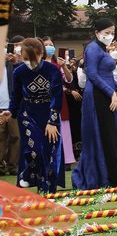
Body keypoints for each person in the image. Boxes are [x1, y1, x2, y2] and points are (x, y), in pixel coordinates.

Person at [0, 38, 64, 193]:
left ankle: (47, 188)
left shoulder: (52, 70)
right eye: (25, 59)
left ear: (41, 54)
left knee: (49, 150)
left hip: (49, 113)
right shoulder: (19, 71)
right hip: (28, 115)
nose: (29, 62)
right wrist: (11, 111)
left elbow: (57, 97)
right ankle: (27, 177)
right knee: (34, 148)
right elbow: (16, 95)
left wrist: (52, 122)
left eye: (33, 58)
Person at [71, 18, 117, 189]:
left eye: (112, 33)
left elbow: (108, 73)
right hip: (96, 96)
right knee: (104, 136)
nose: (110, 36)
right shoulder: (92, 48)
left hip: (108, 94)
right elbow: (92, 75)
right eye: (107, 32)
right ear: (97, 32)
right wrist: (111, 93)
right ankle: (108, 178)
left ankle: (112, 176)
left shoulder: (102, 48)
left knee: (112, 136)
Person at [42, 36, 75, 167]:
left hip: (60, 101)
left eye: (51, 44)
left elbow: (69, 79)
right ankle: (50, 159)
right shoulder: (38, 65)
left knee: (64, 129)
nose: (49, 47)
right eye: (46, 45)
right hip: (44, 101)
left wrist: (64, 67)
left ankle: (66, 159)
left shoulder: (58, 64)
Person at [0, 40, 19, 176]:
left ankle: (12, 166)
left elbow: (22, 75)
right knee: (0, 138)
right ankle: (0, 166)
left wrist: (14, 62)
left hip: (12, 107)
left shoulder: (13, 64)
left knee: (15, 136)